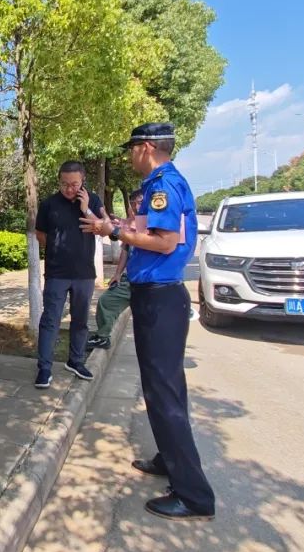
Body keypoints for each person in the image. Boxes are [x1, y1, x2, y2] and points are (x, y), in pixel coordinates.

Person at [81, 122, 216, 521]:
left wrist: (114, 233)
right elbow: (148, 231)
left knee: (164, 392)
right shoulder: (167, 183)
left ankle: (193, 495)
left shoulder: (162, 186)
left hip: (159, 296)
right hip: (157, 294)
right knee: (164, 387)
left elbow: (164, 242)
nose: (128, 157)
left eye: (131, 150)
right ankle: (170, 458)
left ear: (146, 148)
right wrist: (116, 228)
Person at [33, 160, 104, 389]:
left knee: (80, 321)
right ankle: (44, 368)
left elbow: (105, 227)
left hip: (84, 273)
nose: (69, 189)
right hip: (57, 273)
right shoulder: (49, 204)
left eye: (74, 184)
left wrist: (86, 209)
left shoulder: (92, 200)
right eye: (64, 184)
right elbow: (40, 234)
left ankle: (76, 361)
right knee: (50, 321)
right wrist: (57, 251)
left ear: (83, 181)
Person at [87, 189, 143, 351]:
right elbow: (126, 250)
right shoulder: (131, 224)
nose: (137, 206)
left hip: (150, 282)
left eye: (140, 202)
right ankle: (103, 337)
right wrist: (117, 274)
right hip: (130, 280)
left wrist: (120, 229)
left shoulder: (153, 223)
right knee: (106, 301)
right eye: (134, 204)